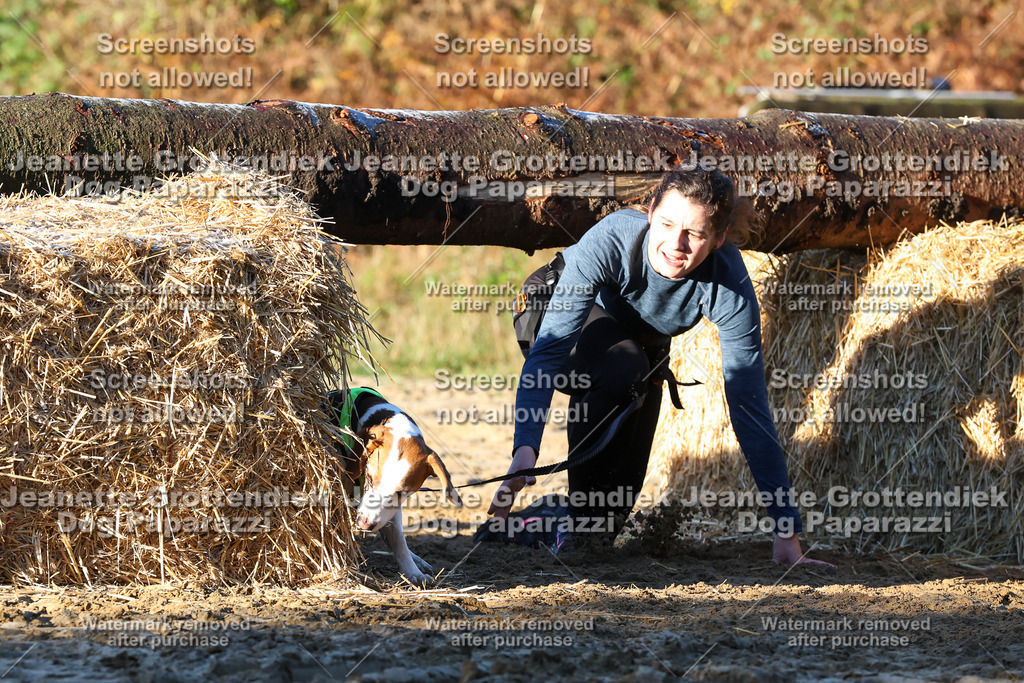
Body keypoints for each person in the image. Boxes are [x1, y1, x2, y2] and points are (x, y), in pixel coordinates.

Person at [485, 166, 828, 565]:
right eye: (666, 224)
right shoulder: (612, 240)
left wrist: (786, 531)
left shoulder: (728, 285)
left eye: (694, 234)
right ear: (650, 213)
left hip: (639, 350)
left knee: (612, 512)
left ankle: (539, 526)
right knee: (622, 364)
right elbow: (550, 351)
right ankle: (577, 530)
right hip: (553, 316)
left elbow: (749, 408)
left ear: (717, 240)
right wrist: (525, 450)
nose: (675, 243)